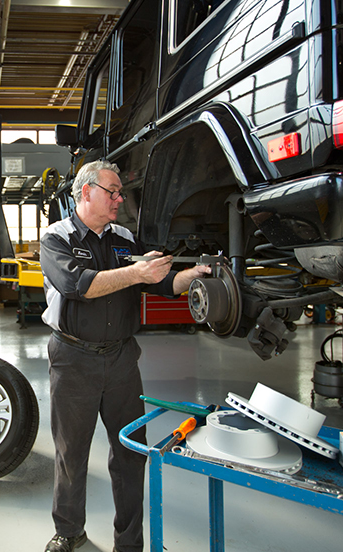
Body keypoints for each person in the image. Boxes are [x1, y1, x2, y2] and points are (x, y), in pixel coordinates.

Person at [39, 160, 211, 552]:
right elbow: (77, 285)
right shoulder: (56, 238)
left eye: (120, 192)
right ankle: (68, 532)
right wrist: (137, 273)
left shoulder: (123, 238)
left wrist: (194, 274)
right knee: (71, 452)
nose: (120, 198)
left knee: (131, 452)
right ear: (86, 192)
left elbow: (163, 283)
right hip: (72, 358)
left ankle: (129, 543)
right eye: (112, 191)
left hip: (120, 360)